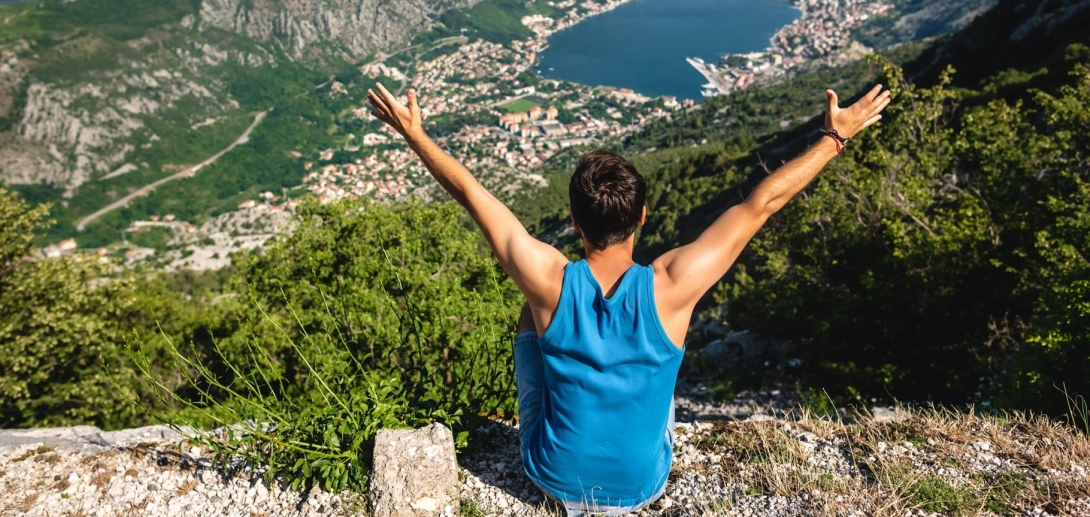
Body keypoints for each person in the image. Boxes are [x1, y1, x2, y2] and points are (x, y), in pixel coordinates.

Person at [367, 82, 890, 515]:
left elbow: (472, 194)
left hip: (554, 477)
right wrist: (834, 136)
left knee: (533, 312)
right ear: (642, 218)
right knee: (660, 349)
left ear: (573, 221)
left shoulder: (548, 278)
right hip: (642, 486)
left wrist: (414, 134)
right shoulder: (674, 283)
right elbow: (762, 203)